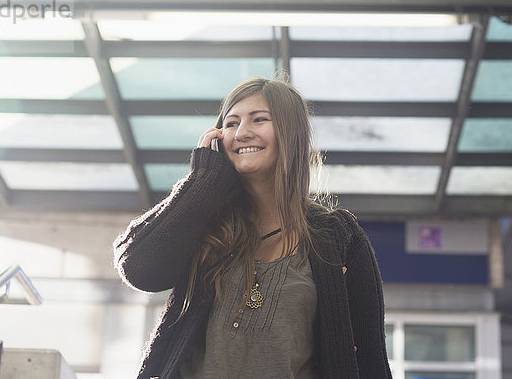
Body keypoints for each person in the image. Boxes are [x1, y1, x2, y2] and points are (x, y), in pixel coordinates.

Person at [113, 77, 393, 379]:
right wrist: (201, 181)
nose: (242, 133)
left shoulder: (338, 237)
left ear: (290, 134)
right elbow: (138, 268)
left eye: (259, 120)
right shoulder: (206, 223)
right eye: (231, 124)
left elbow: (370, 357)